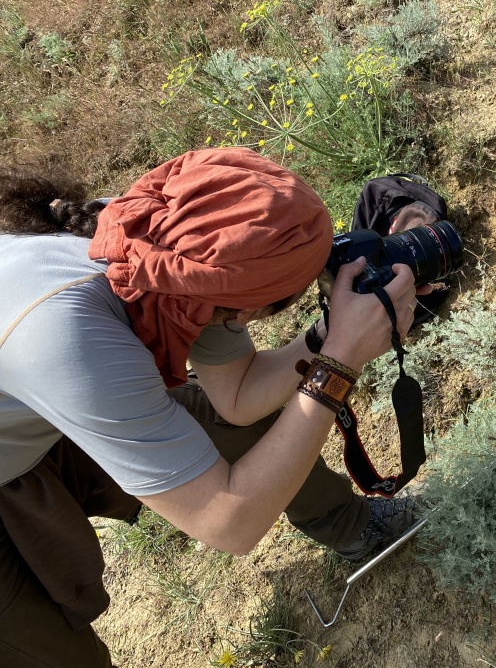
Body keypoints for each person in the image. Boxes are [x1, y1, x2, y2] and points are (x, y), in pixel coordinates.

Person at [0, 148, 431, 667]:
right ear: (243, 305)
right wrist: (339, 364)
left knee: (259, 415)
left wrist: (329, 337)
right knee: (55, 655)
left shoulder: (175, 246)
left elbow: (240, 396)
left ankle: (354, 527)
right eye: (288, 299)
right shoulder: (73, 335)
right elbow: (228, 523)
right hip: (29, 426)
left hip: (31, 407)